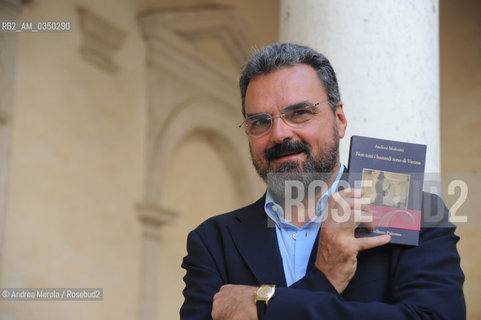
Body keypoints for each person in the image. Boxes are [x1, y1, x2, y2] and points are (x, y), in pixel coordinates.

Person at [180, 43, 465, 320]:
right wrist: (325, 279)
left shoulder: (416, 213)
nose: (279, 134)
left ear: (339, 119)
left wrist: (266, 304)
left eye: (299, 113)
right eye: (259, 121)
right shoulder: (212, 241)